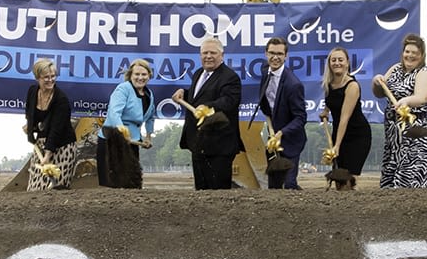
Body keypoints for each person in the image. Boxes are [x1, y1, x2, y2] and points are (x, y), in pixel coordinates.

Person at [171, 36, 242, 190]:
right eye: (205, 53)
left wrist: (206, 107)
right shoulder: (198, 73)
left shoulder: (230, 77)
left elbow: (228, 101)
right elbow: (199, 96)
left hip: (219, 146)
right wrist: (184, 92)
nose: (208, 56)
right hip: (198, 143)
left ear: (222, 55)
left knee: (218, 193)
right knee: (201, 192)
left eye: (213, 53)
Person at [371, 33, 427, 188]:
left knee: (408, 180)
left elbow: (422, 97)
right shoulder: (395, 69)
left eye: (415, 53)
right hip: (395, 134)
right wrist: (377, 82)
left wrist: (406, 101)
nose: (410, 55)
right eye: (407, 51)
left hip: (419, 131)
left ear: (421, 56)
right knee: (389, 179)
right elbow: (380, 92)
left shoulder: (424, 74)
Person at [317, 46, 372, 190]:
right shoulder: (329, 84)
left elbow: (344, 118)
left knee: (349, 181)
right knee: (339, 182)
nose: (337, 63)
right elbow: (333, 102)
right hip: (339, 134)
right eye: (333, 60)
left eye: (340, 60)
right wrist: (325, 111)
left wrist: (337, 146)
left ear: (347, 63)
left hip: (356, 136)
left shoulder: (352, 86)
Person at [255, 36, 306, 189]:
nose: (275, 57)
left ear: (286, 56)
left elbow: (300, 117)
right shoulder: (265, 72)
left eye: (279, 54)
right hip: (272, 138)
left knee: (289, 185)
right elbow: (266, 104)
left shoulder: (293, 84)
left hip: (290, 142)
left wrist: (281, 133)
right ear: (266, 54)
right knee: (274, 185)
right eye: (272, 53)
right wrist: (272, 131)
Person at [99, 58, 158, 189]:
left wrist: (148, 136)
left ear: (149, 76)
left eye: (144, 74)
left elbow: (150, 117)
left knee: (131, 182)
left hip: (133, 142)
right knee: (113, 183)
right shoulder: (123, 89)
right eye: (136, 74)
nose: (140, 78)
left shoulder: (149, 94)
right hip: (113, 141)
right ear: (130, 75)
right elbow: (114, 113)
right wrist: (123, 132)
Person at [22, 57, 76, 190]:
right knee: (34, 187)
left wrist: (47, 155)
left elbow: (56, 130)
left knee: (55, 189)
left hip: (62, 146)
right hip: (41, 143)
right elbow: (30, 112)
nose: (50, 80)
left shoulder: (61, 99)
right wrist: (30, 125)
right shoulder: (32, 91)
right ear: (38, 78)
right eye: (46, 77)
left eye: (53, 76)